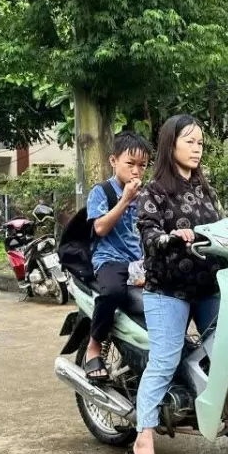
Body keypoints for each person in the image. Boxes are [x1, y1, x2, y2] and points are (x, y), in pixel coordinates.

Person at [128, 115, 223, 454]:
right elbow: (148, 233)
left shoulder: (205, 188)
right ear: (171, 145)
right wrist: (170, 236)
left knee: (225, 351)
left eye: (200, 141)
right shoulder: (153, 192)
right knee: (164, 360)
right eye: (190, 141)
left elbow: (219, 227)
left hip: (208, 286)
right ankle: (143, 441)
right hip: (168, 289)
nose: (197, 147)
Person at [83, 132, 152, 381]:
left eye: (142, 166)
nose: (136, 171)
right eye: (130, 164)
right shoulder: (101, 192)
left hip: (139, 262)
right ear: (114, 160)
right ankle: (94, 345)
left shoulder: (147, 195)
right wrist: (125, 200)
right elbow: (100, 228)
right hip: (110, 259)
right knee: (112, 292)